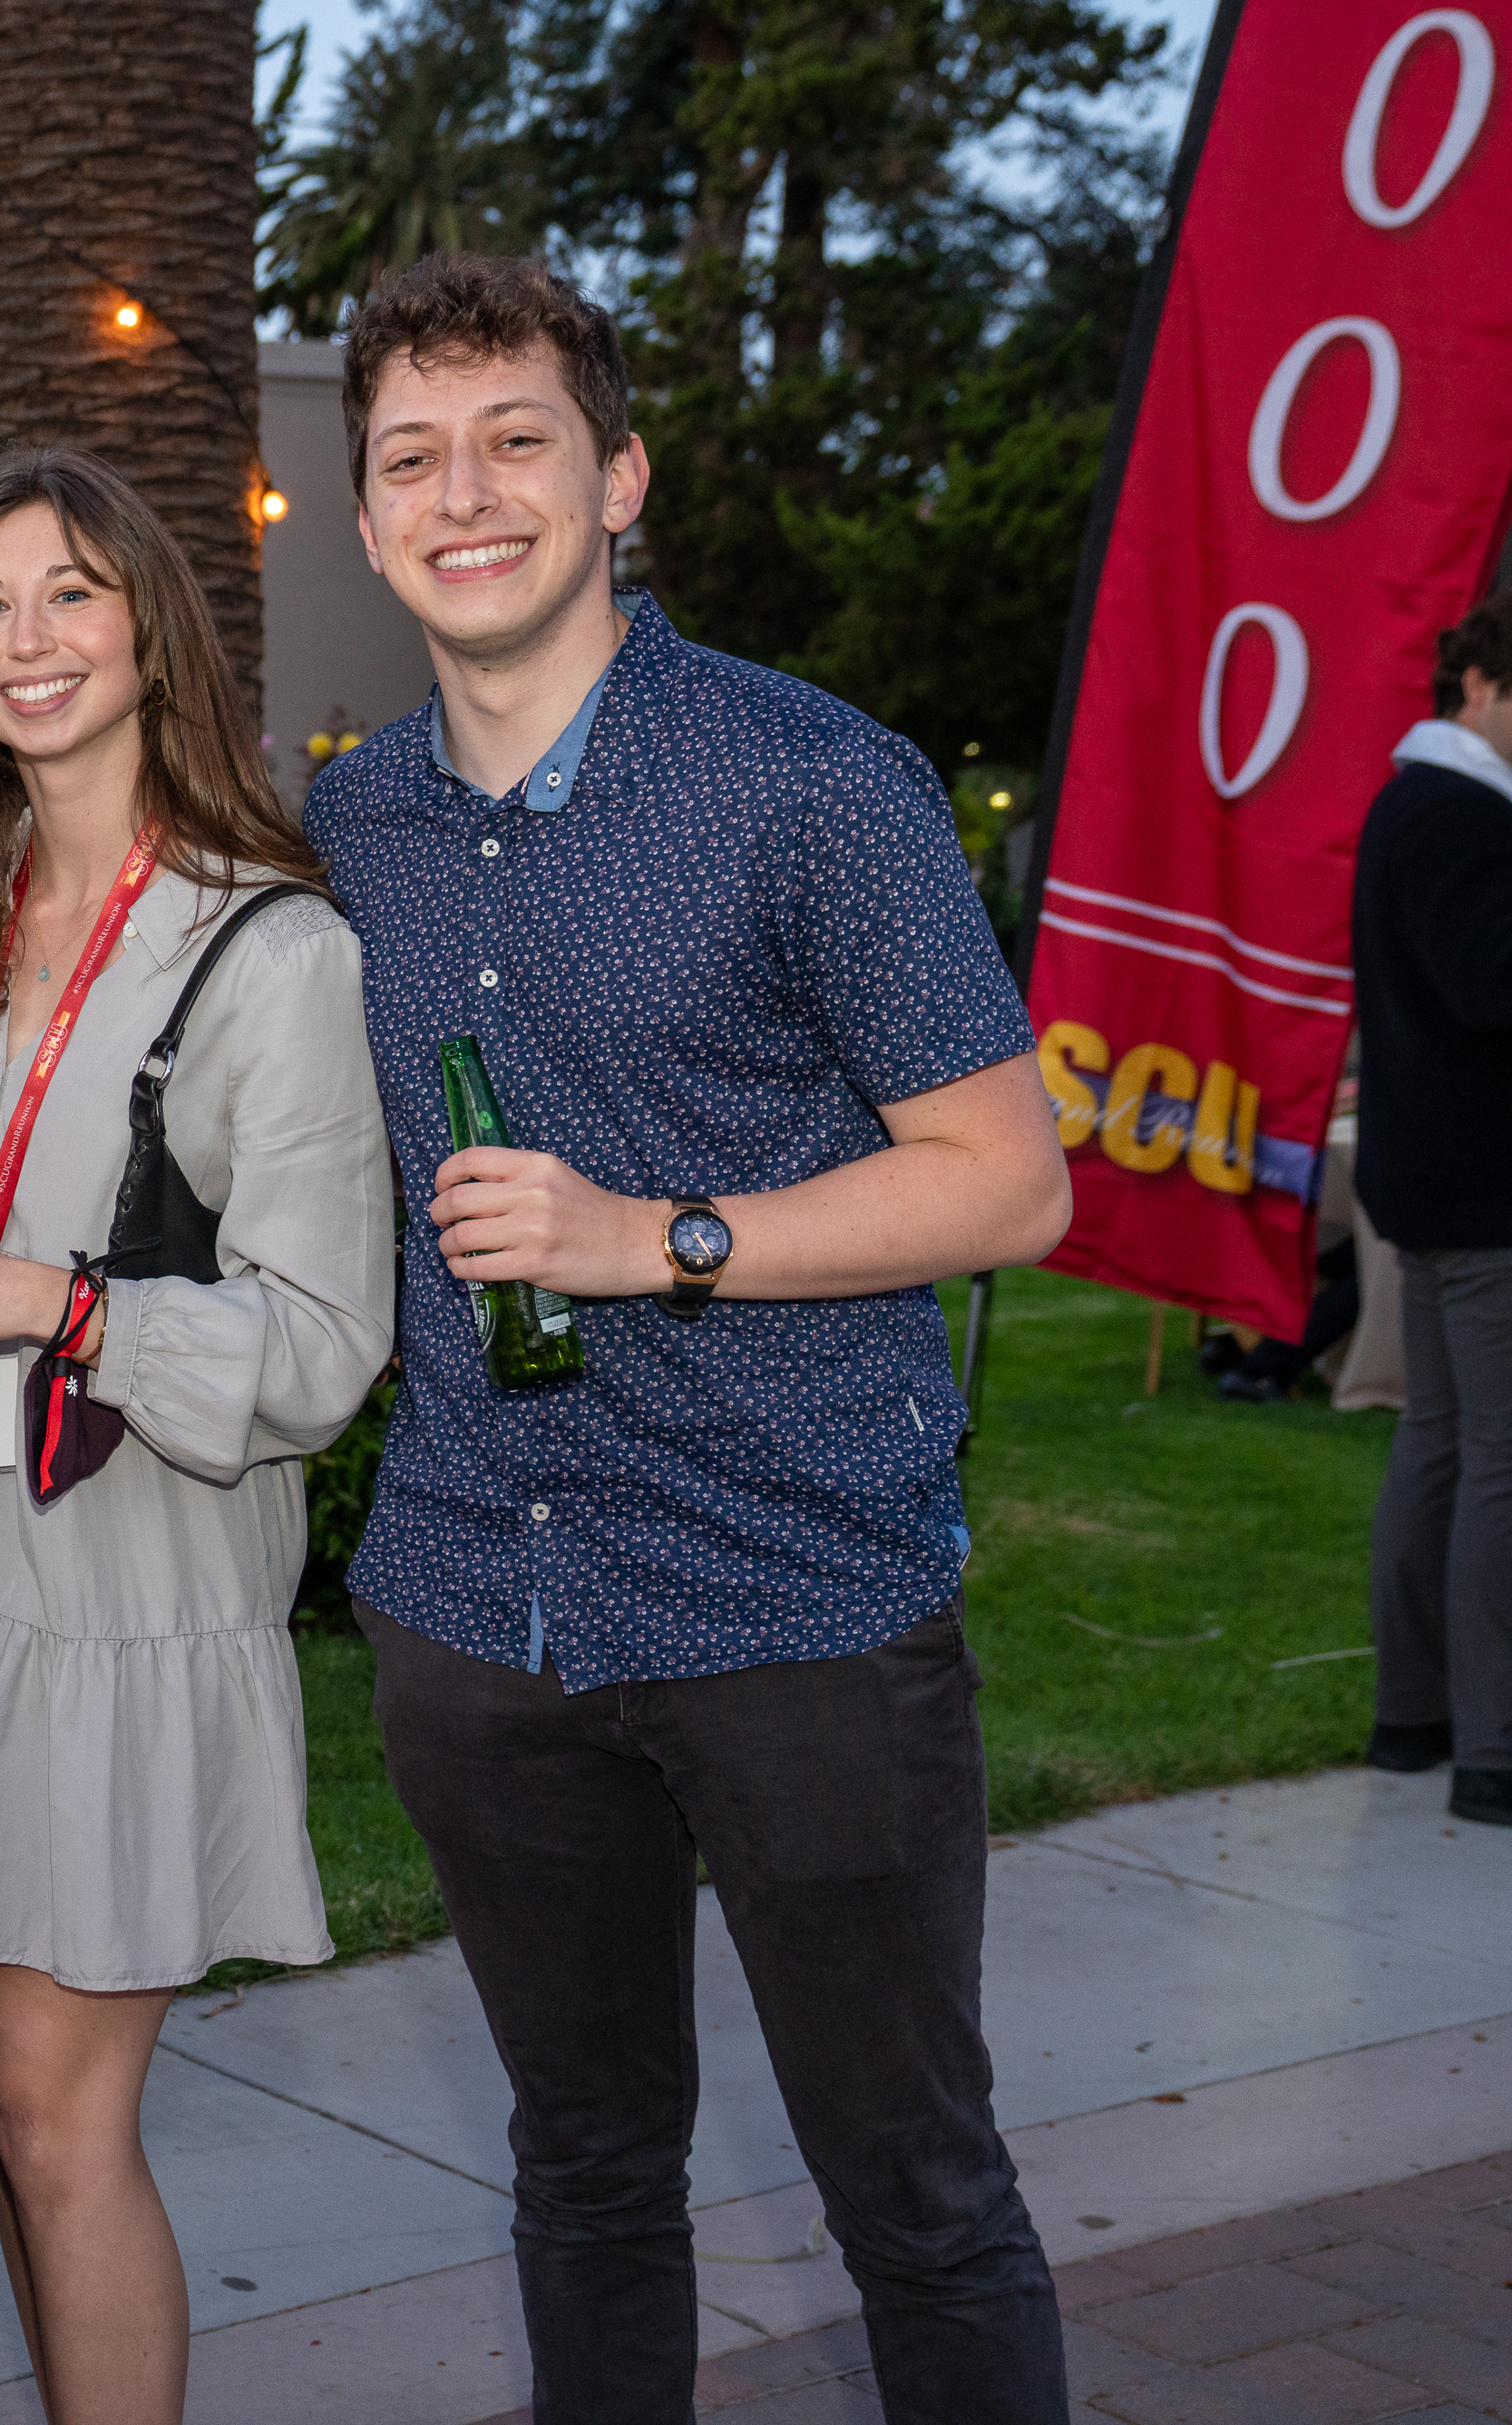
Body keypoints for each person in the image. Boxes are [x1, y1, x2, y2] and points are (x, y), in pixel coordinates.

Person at [298, 252, 1075, 2419]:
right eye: (410, 460)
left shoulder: (811, 783)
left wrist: (660, 1235)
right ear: (362, 523)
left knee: (910, 2195)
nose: (464, 495)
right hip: (478, 1608)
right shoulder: (346, 825)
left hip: (794, 1607)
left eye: (513, 440)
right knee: (578, 2172)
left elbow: (1006, 1179)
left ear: (613, 476)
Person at [0, 447, 394, 2425]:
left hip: (123, 1611)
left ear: (149, 625)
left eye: (67, 592)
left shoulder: (270, 949)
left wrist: (44, 1300)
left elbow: (322, 1352)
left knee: (61, 2120)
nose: (25, 638)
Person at [1350, 590, 1512, 1828]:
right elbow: (1487, 987)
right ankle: (1491, 1747)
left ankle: (1414, 1717)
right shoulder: (1460, 815)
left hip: (1429, 1176)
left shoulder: (1411, 804)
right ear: (1477, 687)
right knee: (1489, 1459)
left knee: (1443, 1441)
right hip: (1484, 1186)